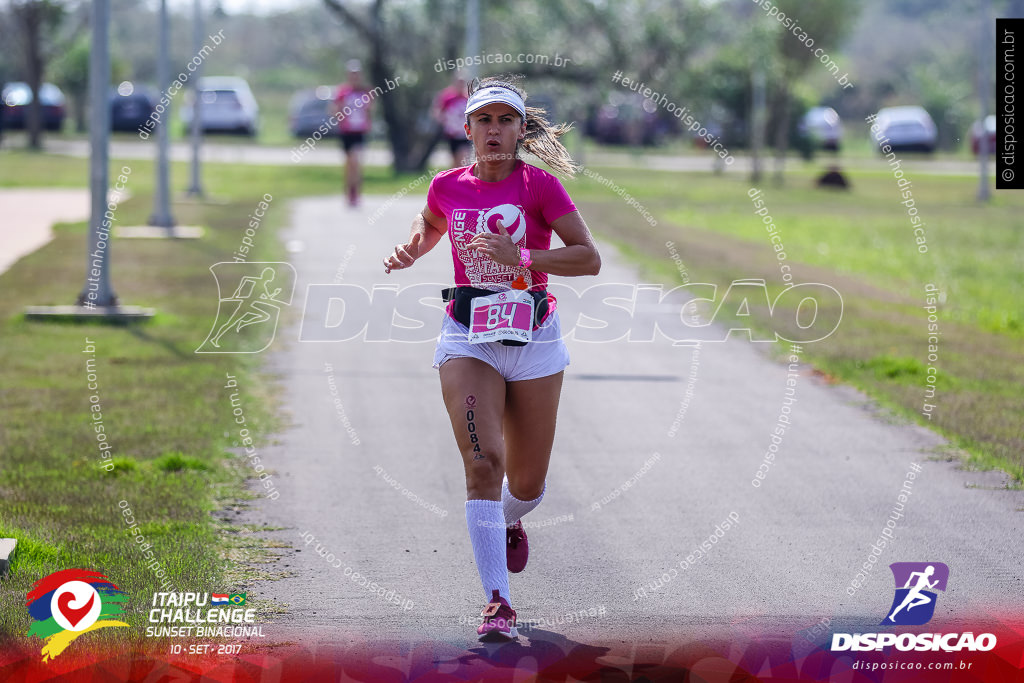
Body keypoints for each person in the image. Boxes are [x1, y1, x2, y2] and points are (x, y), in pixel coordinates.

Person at [382, 75, 601, 641]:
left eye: (507, 121)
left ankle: (505, 521)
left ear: (521, 129)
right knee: (484, 465)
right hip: (467, 333)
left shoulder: (540, 188)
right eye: (485, 120)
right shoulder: (446, 185)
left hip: (534, 337)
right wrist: (413, 247)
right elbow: (431, 221)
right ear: (468, 128)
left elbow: (588, 258)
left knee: (527, 486)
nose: (495, 130)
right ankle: (498, 603)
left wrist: (522, 255)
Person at [333, 59, 373, 207]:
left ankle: (356, 192)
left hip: (359, 131)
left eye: (357, 74)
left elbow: (370, 110)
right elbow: (335, 109)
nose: (355, 77)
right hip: (346, 131)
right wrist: (340, 115)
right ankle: (349, 191)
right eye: (352, 74)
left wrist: (369, 121)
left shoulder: (365, 91)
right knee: (349, 163)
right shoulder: (342, 91)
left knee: (356, 161)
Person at [432, 72, 471, 167]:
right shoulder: (447, 97)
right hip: (452, 134)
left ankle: (463, 180)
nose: (460, 85)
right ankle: (454, 180)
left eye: (462, 82)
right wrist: (443, 120)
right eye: (458, 82)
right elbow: (437, 110)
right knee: (455, 162)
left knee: (463, 158)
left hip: (465, 133)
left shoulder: (468, 97)